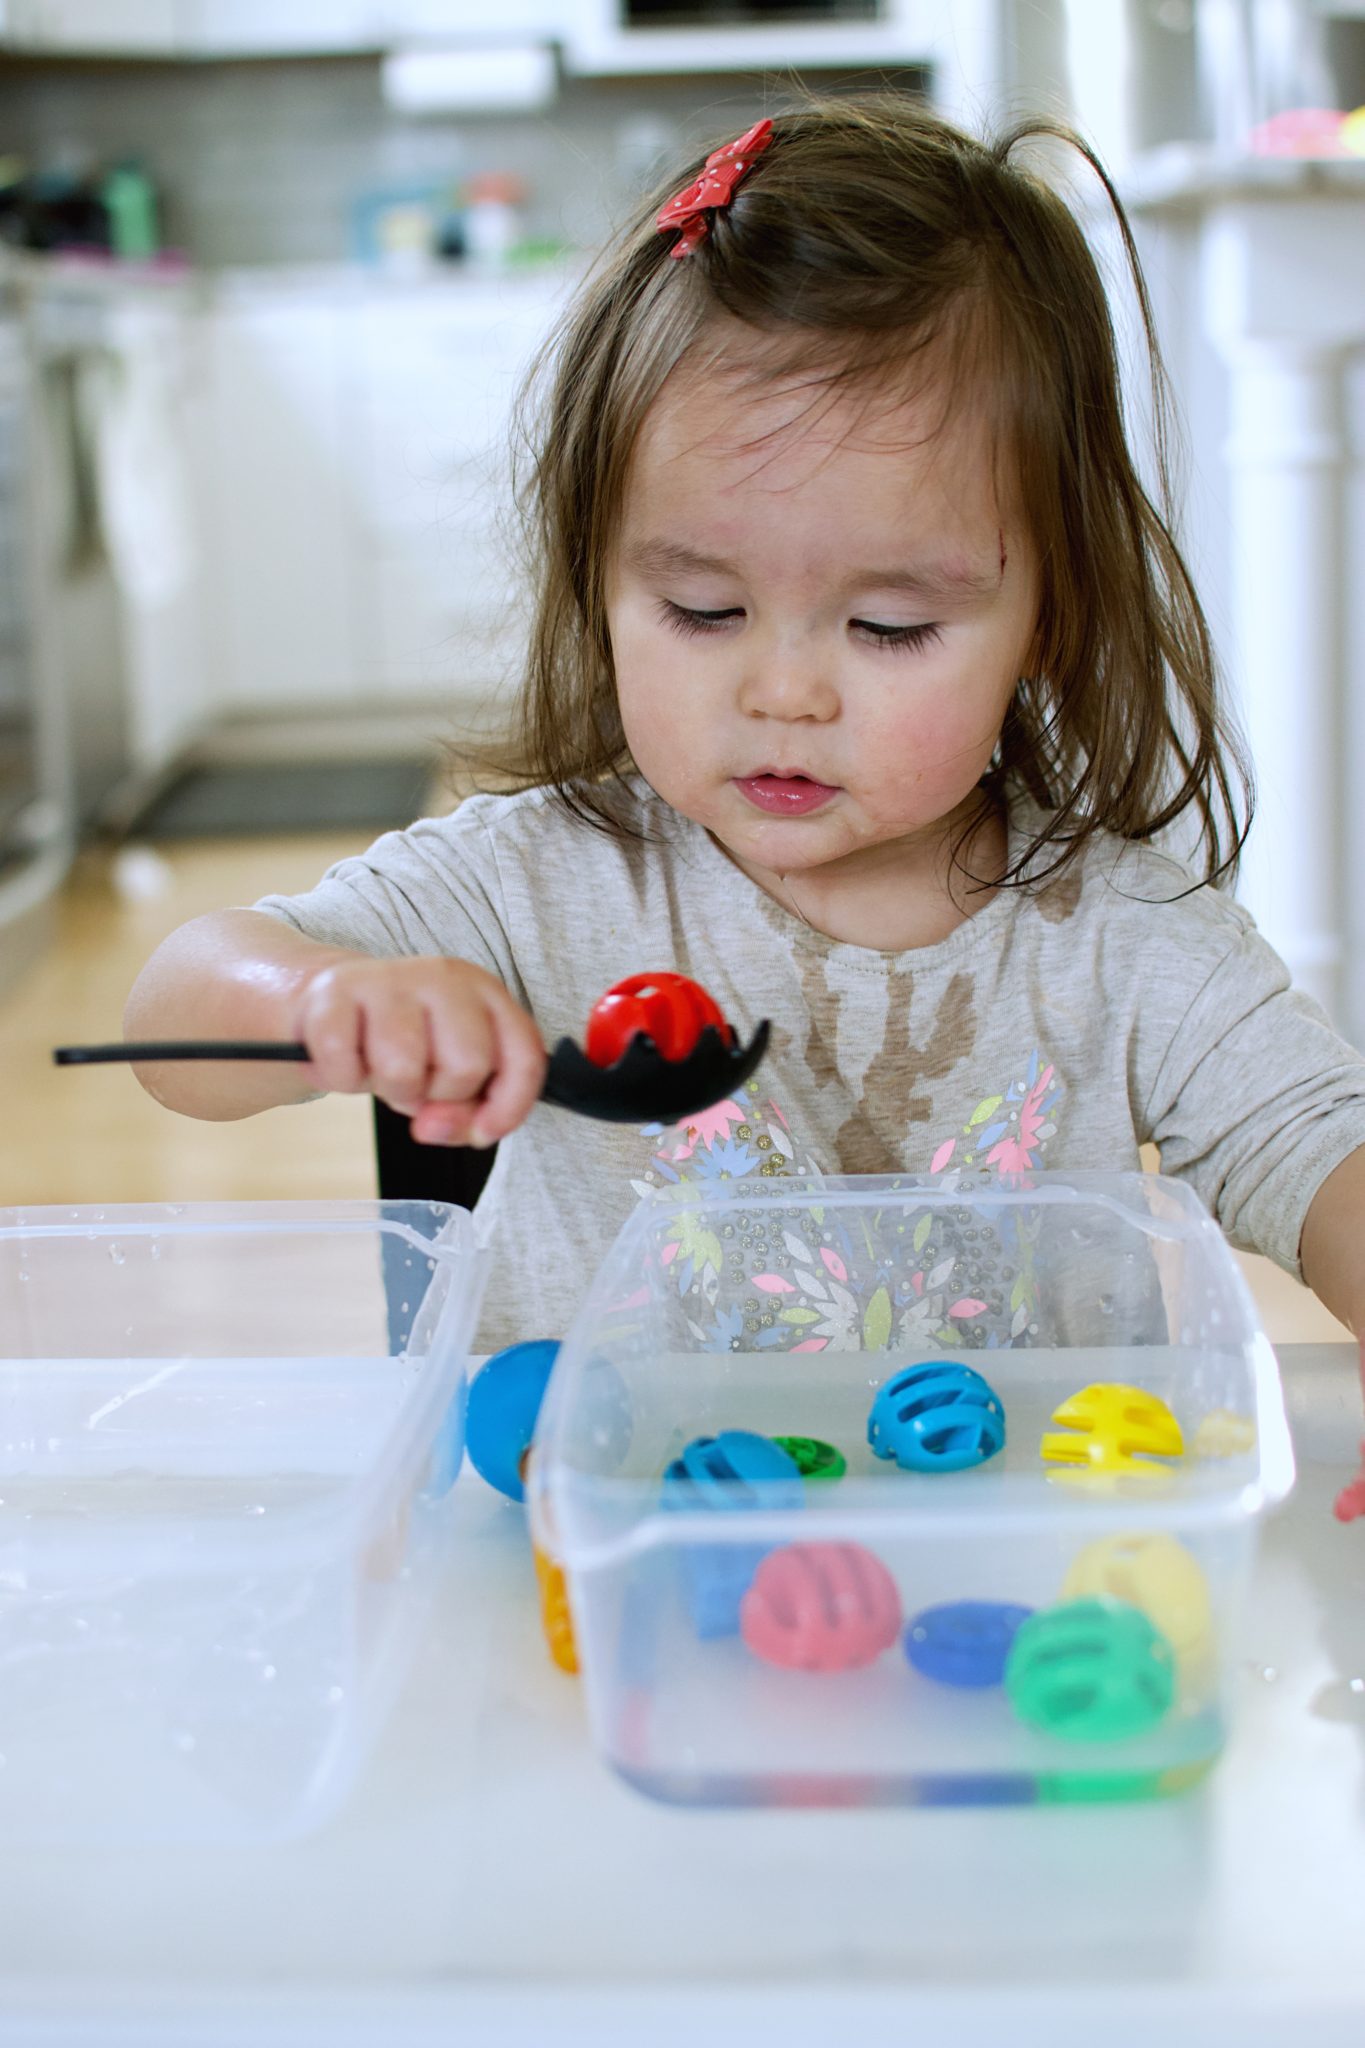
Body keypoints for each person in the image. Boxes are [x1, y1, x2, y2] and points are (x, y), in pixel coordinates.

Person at [125, 96, 1365, 1516]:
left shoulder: (1123, 937)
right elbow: (178, 1029)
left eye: (889, 627)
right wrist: (322, 1000)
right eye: (701, 609)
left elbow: (1320, 1150)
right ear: (597, 583)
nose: (783, 692)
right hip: (605, 1594)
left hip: (1015, 1604)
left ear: (1049, 618)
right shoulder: (535, 885)